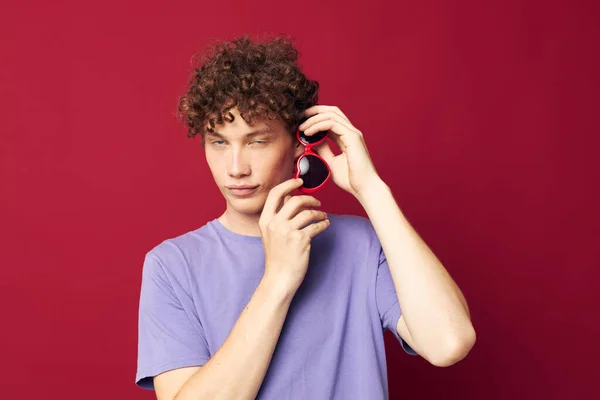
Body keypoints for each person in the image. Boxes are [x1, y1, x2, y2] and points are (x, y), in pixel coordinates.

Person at [135, 34, 476, 400]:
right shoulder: (172, 266)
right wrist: (279, 279)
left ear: (300, 143)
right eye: (219, 142)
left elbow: (449, 342)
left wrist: (371, 190)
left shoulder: (359, 244)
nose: (235, 168)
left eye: (257, 141)